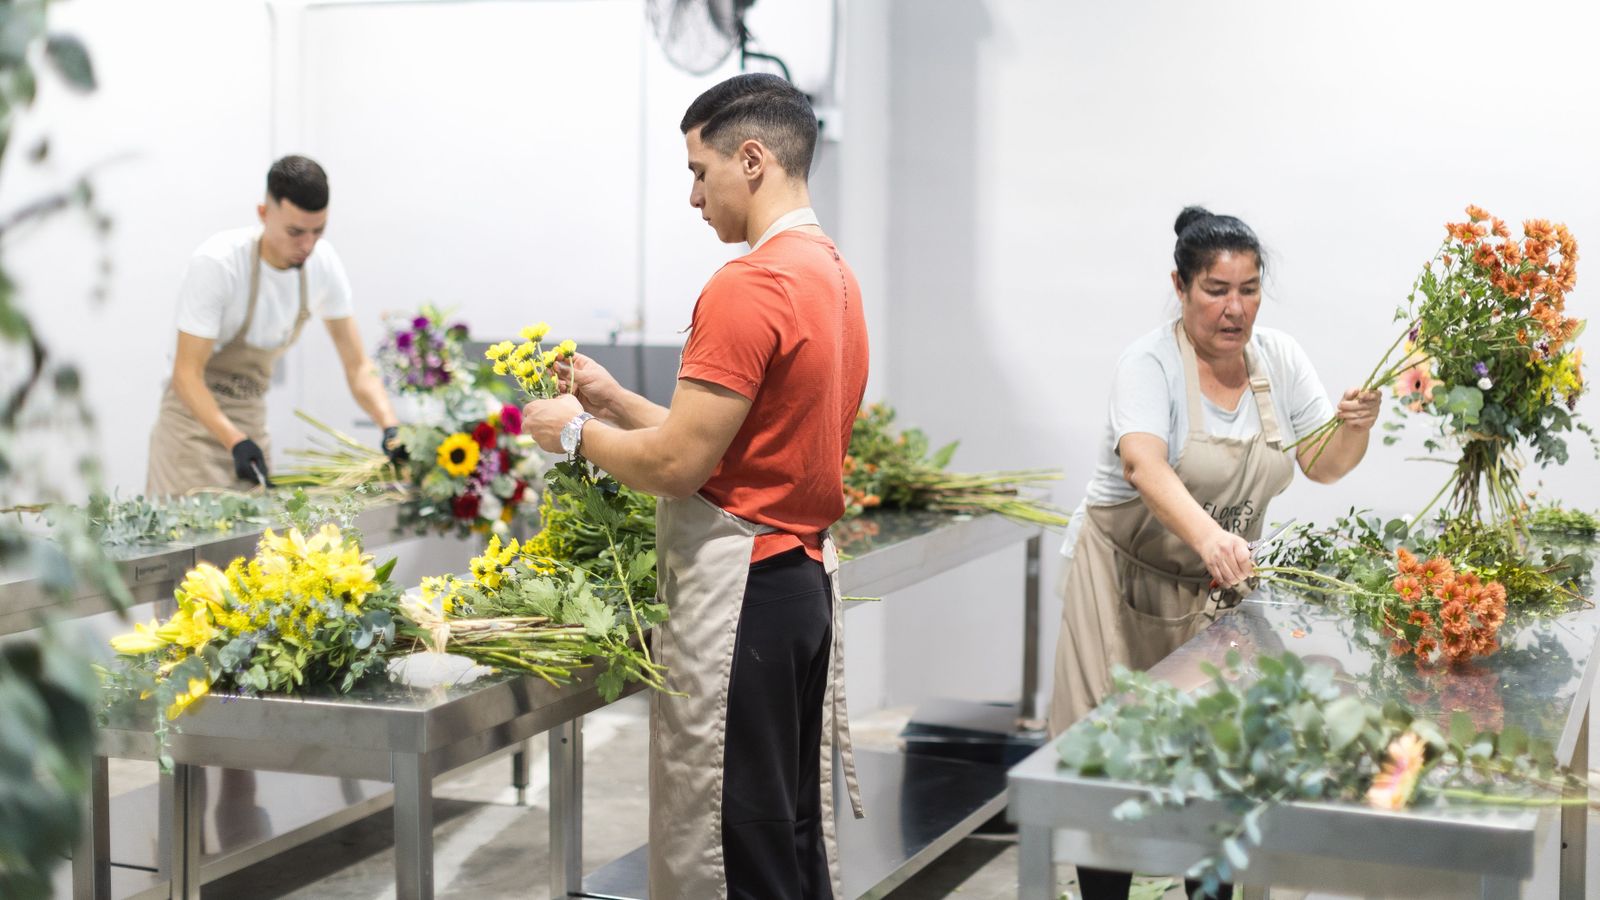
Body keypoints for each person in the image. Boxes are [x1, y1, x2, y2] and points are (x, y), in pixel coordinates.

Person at [523, 73, 868, 900]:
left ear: (751, 160)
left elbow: (678, 469)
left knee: (727, 846)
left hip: (740, 597)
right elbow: (722, 442)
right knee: (781, 833)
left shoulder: (748, 286)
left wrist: (570, 433)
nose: (692, 196)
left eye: (697, 170)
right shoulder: (833, 277)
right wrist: (611, 402)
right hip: (800, 590)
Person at [1047, 207, 1381, 900]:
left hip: (1215, 595)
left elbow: (1323, 464)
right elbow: (1144, 465)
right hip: (1121, 588)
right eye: (1216, 290)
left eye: (1249, 289)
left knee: (1220, 761)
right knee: (1107, 767)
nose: (1235, 310)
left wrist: (1356, 429)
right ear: (1180, 285)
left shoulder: (1278, 361)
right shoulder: (1149, 364)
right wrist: (1213, 538)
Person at [146, 155, 401, 496]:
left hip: (250, 428)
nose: (307, 245)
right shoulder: (219, 263)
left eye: (318, 231)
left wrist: (390, 427)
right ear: (264, 214)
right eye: (295, 232)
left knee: (257, 546)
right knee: (189, 546)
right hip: (191, 435)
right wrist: (234, 441)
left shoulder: (322, 265)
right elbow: (185, 375)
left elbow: (357, 366)